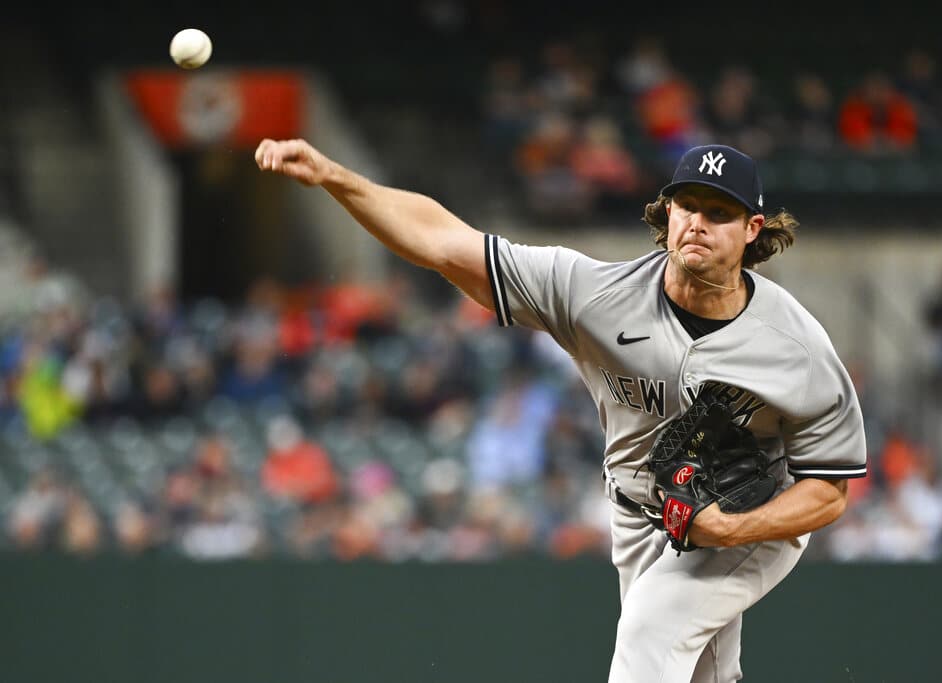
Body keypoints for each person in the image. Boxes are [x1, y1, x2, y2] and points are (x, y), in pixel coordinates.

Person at [254, 138, 867, 682]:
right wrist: (338, 177)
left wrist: (730, 529)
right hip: (639, 516)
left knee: (651, 631)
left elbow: (831, 491)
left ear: (752, 229)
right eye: (687, 206)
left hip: (746, 514)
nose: (697, 224)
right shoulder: (597, 296)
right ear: (666, 212)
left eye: (719, 213)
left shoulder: (796, 346)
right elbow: (443, 242)